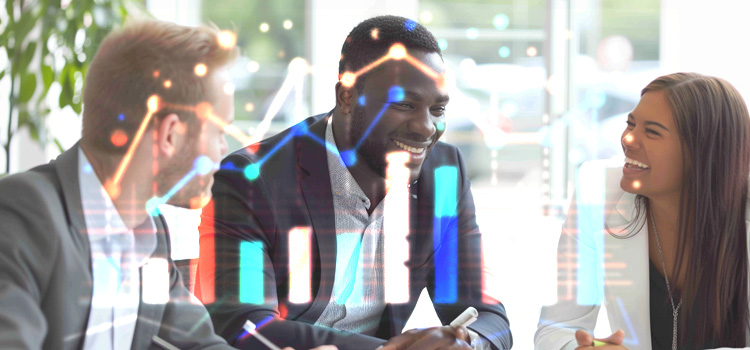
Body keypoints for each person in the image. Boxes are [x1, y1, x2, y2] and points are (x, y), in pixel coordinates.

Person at [0, 18, 335, 350]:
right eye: (219, 132)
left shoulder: (149, 231)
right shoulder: (20, 216)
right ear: (170, 135)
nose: (224, 149)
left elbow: (198, 345)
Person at [196, 15, 512, 350]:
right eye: (404, 104)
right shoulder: (250, 179)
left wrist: (465, 344)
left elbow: (487, 317)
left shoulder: (443, 173)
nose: (426, 127)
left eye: (437, 109)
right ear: (347, 97)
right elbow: (244, 326)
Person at [535, 73, 750, 350]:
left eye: (652, 132)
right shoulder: (598, 192)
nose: (627, 139)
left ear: (704, 151)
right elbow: (555, 330)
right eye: (631, 124)